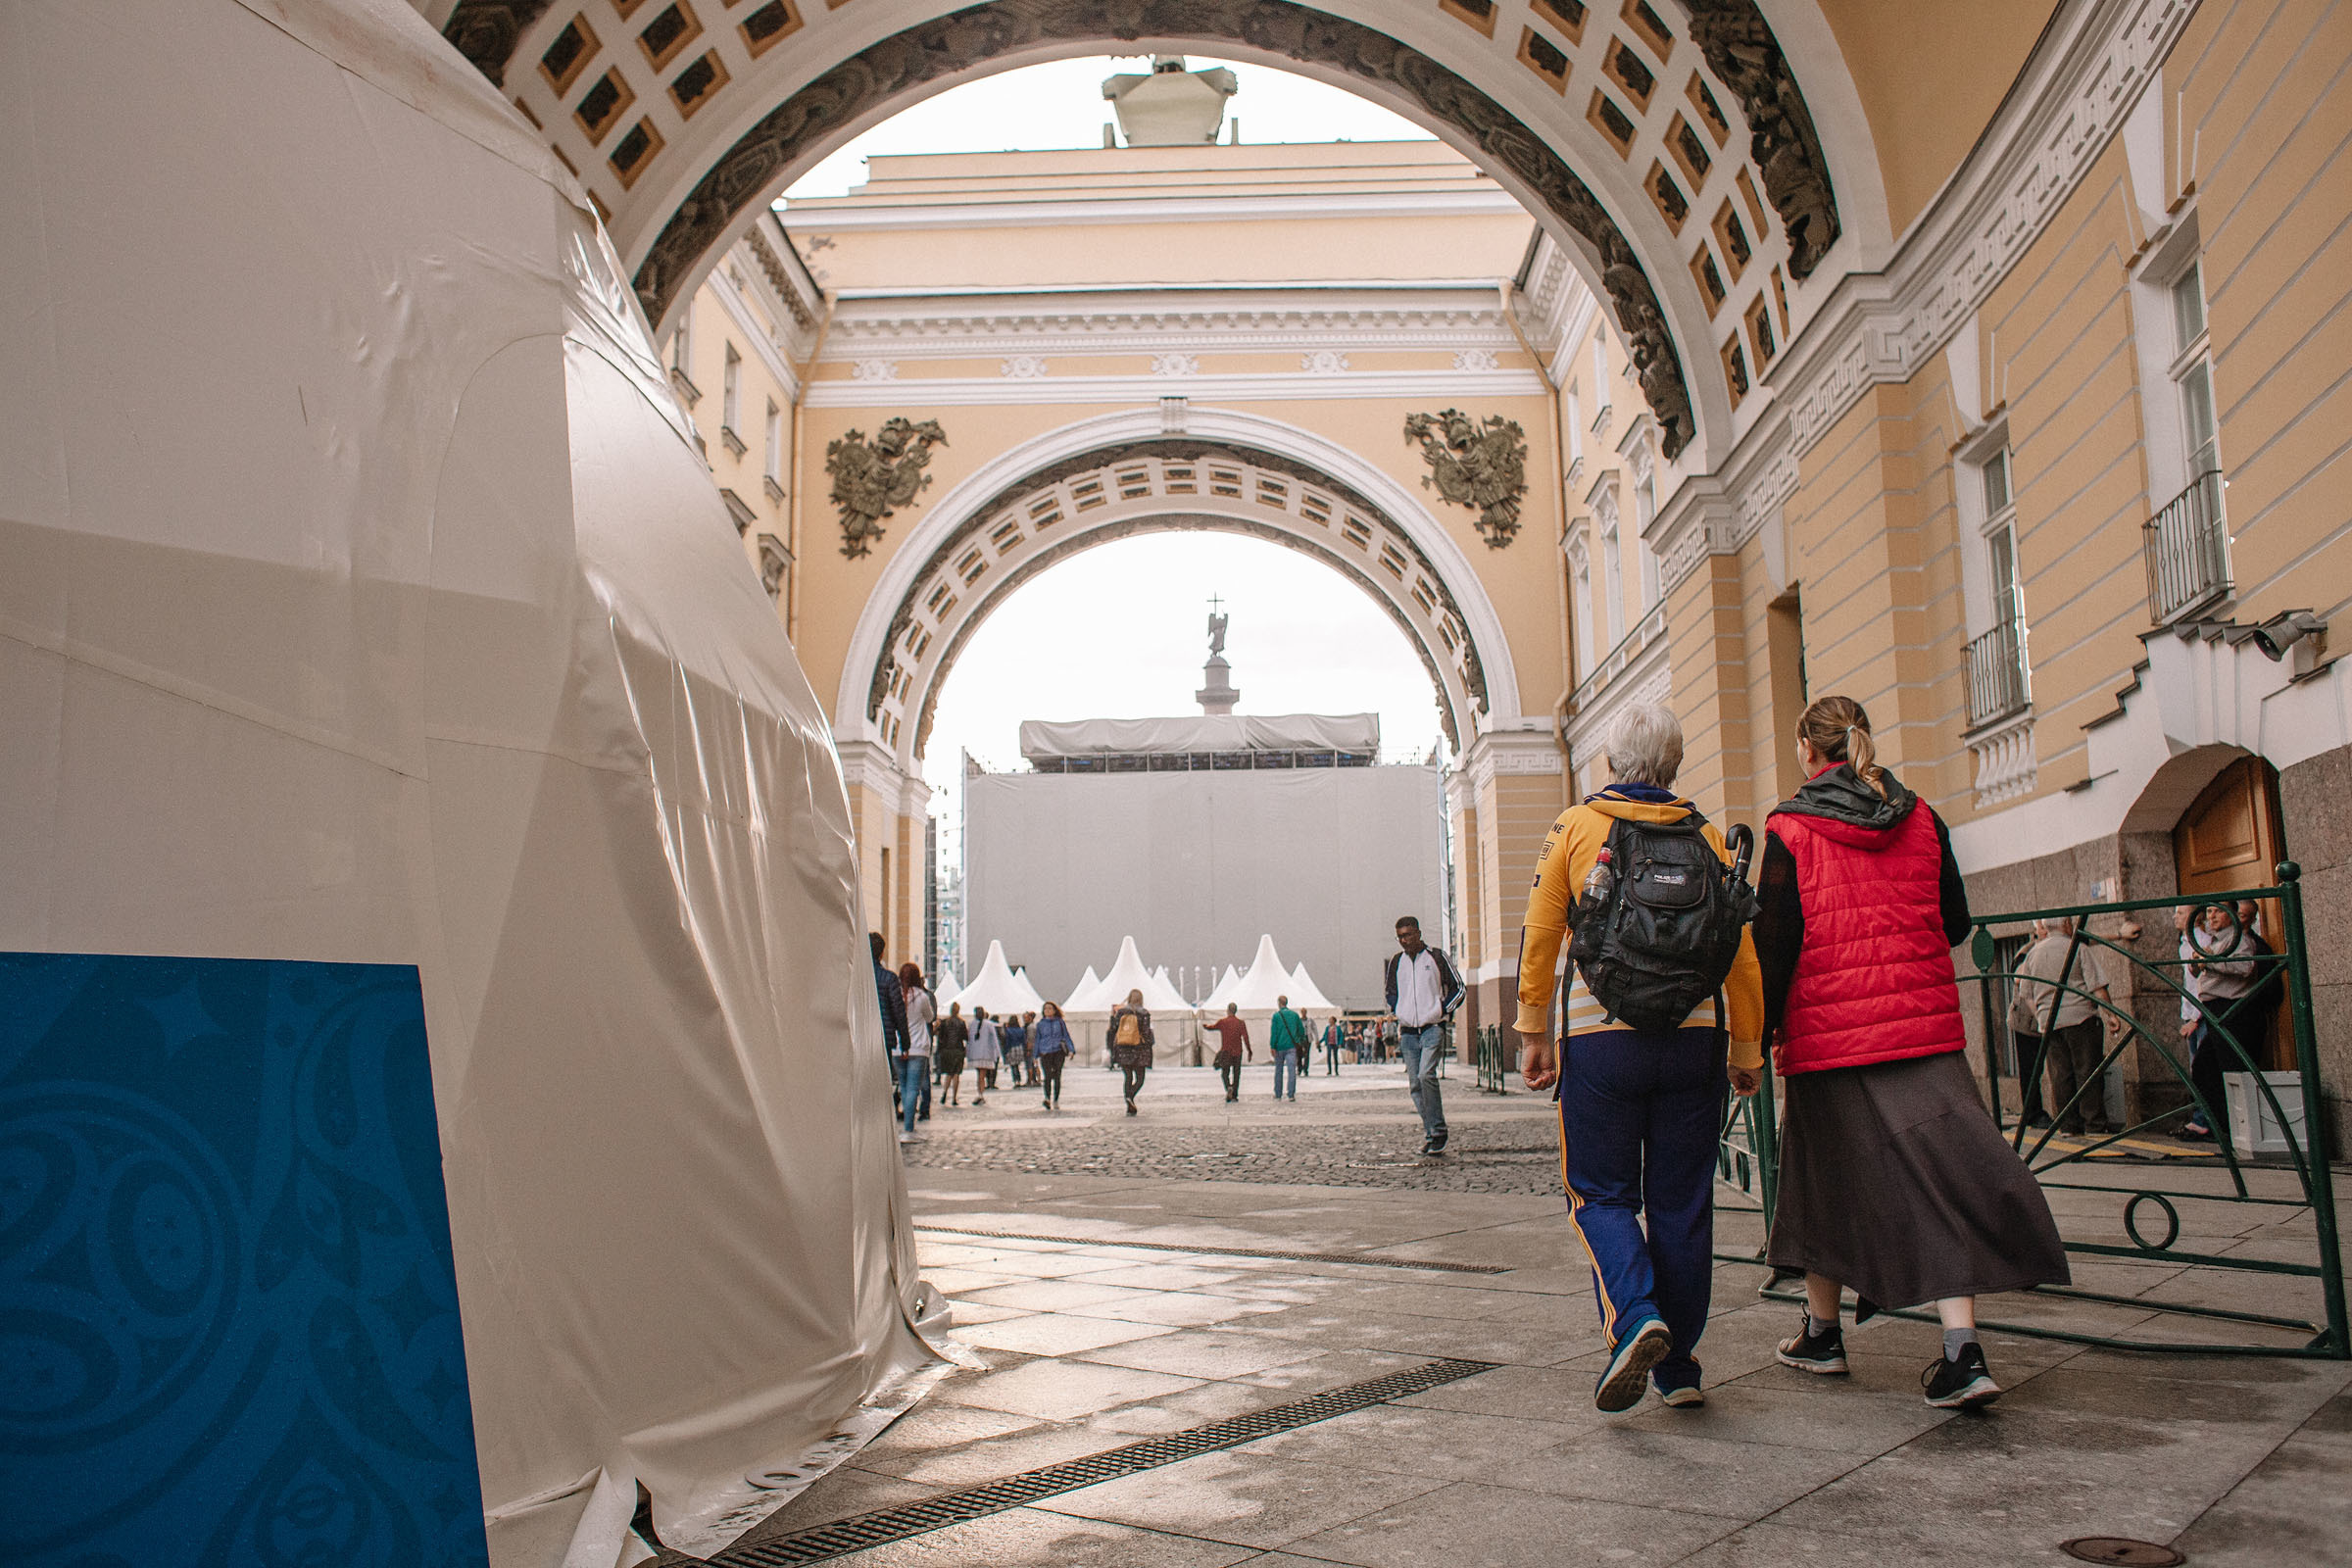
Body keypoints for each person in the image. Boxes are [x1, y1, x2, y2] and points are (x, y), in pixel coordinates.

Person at [1755, 695, 2069, 1410]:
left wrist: (1761, 1031)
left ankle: (1825, 1333)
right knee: (1942, 1179)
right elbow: (1955, 921)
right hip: (1922, 1030)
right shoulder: (1921, 817)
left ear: (1809, 750)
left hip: (1830, 1037)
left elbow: (1774, 946)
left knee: (1820, 1182)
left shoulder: (1791, 828)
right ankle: (1955, 1347)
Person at [1516, 702, 1764, 1413]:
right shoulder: (1709, 837)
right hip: (1695, 1044)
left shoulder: (1576, 826)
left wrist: (1535, 1031)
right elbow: (1739, 956)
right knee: (1683, 1204)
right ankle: (1679, 1369)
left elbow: (1539, 931)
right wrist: (1745, 1046)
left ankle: (1635, 1315)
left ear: (1610, 763)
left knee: (1600, 1194)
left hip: (1601, 1043)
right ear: (1675, 765)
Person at [2010, 918, 2124, 1136]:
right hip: (2080, 1017)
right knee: (2087, 1071)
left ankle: (2068, 1126)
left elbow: (2027, 994)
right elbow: (2097, 987)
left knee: (2061, 1075)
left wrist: (2043, 1015)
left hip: (2050, 1022)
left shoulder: (2033, 954)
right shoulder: (2077, 948)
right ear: (2067, 926)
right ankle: (2094, 1125)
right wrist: (2111, 1015)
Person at [2174, 901, 2269, 1144]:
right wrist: (2199, 966)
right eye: (2209, 911)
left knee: (2232, 1068)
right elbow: (2200, 973)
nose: (2212, 916)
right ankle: (2223, 1125)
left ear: (2232, 915)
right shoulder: (2217, 940)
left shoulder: (2239, 939)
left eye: (2219, 911)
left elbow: (2245, 967)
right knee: (2205, 1067)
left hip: (2232, 1009)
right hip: (2215, 1008)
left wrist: (2208, 962)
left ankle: (2242, 1130)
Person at [1385, 916, 1466, 1155]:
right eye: (1400, 936)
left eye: (1408, 935)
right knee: (1415, 1084)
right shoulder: (1397, 962)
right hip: (1408, 1032)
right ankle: (1431, 1133)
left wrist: (1442, 1010)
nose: (1404, 940)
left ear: (1418, 933)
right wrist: (1397, 1008)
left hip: (1432, 1028)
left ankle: (1438, 1131)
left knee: (1425, 1075)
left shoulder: (1437, 957)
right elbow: (1390, 991)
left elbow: (1459, 988)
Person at [897, 963, 934, 1141]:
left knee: (904, 1087)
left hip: (898, 1047)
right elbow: (929, 1017)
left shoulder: (896, 994)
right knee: (913, 1088)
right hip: (918, 1046)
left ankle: (906, 1125)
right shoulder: (921, 997)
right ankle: (909, 1128)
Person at [1108, 989, 1154, 1114]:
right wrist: (1150, 1041)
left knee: (1127, 1076)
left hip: (1123, 1047)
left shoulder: (1121, 1012)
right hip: (1139, 1048)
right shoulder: (1144, 1013)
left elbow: (1114, 1028)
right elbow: (1145, 1031)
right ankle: (1131, 1096)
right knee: (1140, 1078)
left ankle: (1128, 1102)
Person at [1033, 1002, 1074, 1110]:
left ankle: (1055, 1099)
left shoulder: (1060, 1022)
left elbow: (1066, 1036)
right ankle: (1047, 1098)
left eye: (1050, 1008)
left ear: (1054, 1010)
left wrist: (1071, 1050)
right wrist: (1035, 1055)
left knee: (1057, 1076)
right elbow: (1037, 1039)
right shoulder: (1040, 1024)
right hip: (1045, 1052)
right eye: (1045, 1009)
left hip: (1058, 1051)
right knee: (1047, 1076)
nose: (1048, 1010)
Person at [1208, 1003, 1251, 1102]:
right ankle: (1234, 1095)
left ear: (1228, 1010)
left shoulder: (1223, 1022)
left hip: (1226, 1051)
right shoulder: (1240, 1023)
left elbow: (1212, 1027)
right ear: (1235, 1011)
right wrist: (1249, 1051)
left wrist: (1205, 1026)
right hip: (1237, 1052)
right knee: (1236, 1073)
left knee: (1225, 1073)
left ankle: (1228, 1087)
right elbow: (1245, 1037)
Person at [1268, 995, 1308, 1100]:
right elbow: (1301, 1031)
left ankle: (1278, 1093)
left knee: (1278, 1070)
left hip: (1279, 1047)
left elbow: (1274, 1032)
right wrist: (1299, 1041)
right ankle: (1291, 1094)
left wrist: (1273, 1046)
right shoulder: (1294, 1015)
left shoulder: (1276, 1016)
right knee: (1292, 1071)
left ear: (1279, 1003)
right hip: (1291, 1046)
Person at [933, 1002, 968, 1106]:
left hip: (947, 1050)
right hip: (957, 1050)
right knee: (956, 1074)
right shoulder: (961, 1022)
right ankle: (954, 1097)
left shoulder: (945, 1022)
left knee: (949, 1074)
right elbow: (965, 1037)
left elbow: (939, 1035)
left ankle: (944, 1093)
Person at [967, 1005, 1001, 1105]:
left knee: (979, 1075)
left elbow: (969, 1040)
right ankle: (981, 1094)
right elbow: (994, 1039)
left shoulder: (971, 1024)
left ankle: (980, 1093)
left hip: (975, 1054)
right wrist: (997, 1052)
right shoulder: (989, 1024)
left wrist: (968, 1053)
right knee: (982, 1075)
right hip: (986, 1054)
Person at [1000, 1009, 1030, 1094]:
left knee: (1013, 1066)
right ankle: (1019, 1080)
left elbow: (1007, 1040)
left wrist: (1006, 1050)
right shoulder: (1021, 1030)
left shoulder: (1008, 1030)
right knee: (1017, 1065)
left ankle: (1016, 1080)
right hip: (1019, 1048)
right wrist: (1025, 1049)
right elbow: (1024, 1040)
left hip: (1012, 1048)